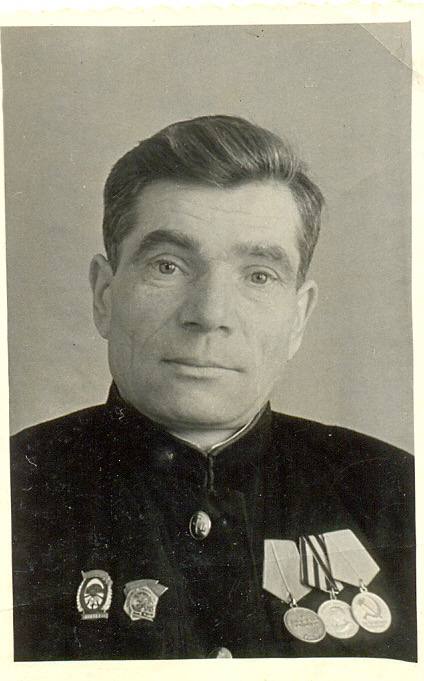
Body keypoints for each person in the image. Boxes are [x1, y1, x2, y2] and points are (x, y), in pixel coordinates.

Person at [10, 115, 416, 662]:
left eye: (259, 275)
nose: (209, 314)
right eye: (168, 266)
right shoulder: (16, 487)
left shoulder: (396, 495)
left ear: (299, 317)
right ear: (105, 295)